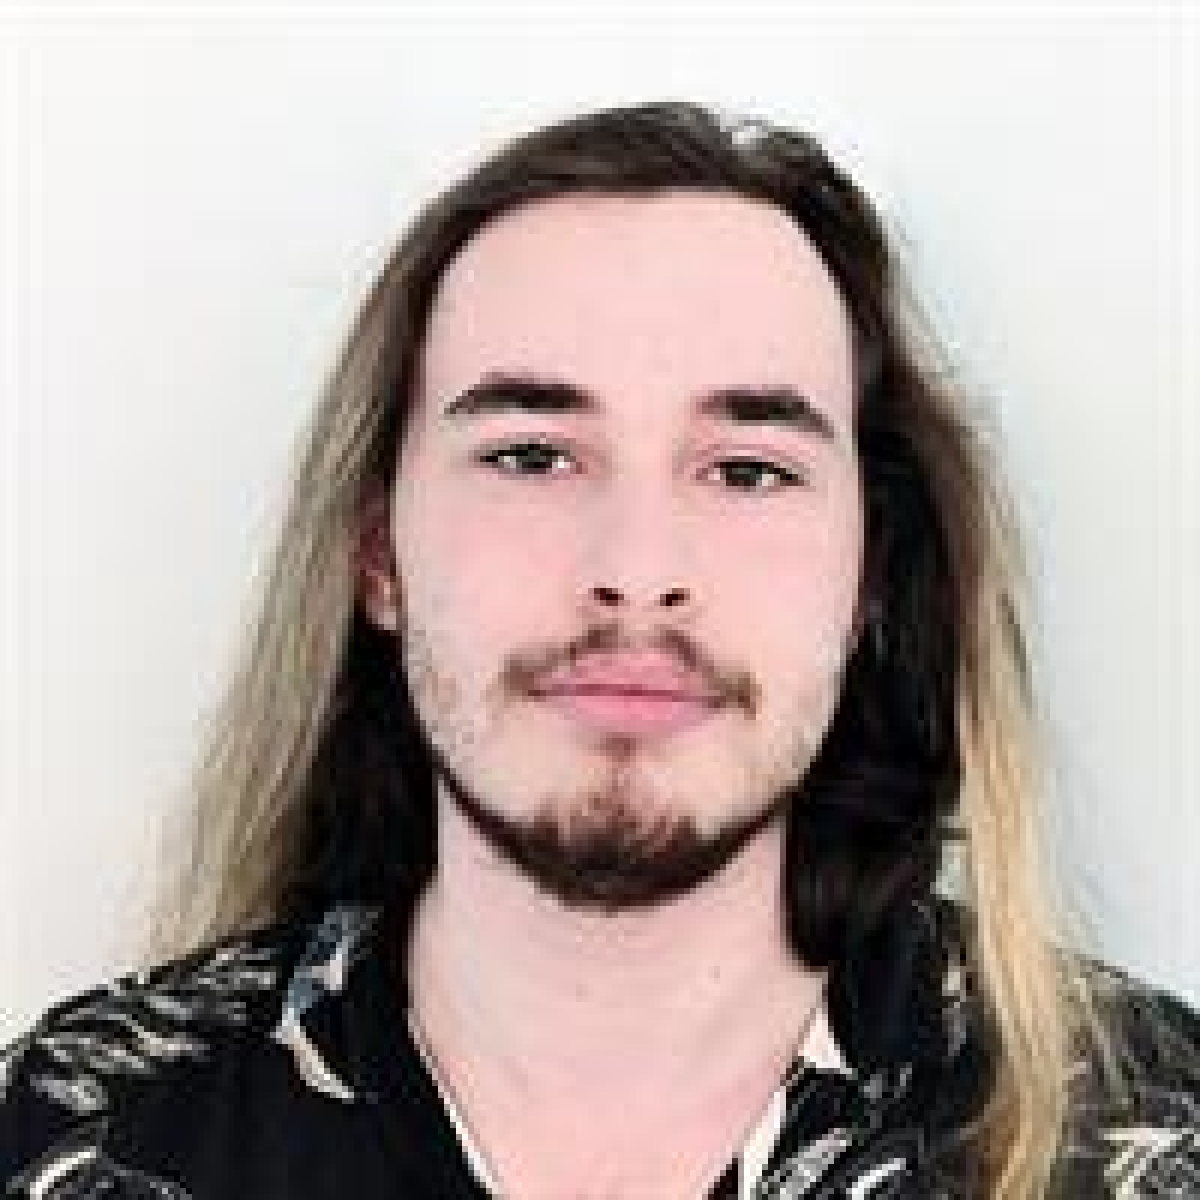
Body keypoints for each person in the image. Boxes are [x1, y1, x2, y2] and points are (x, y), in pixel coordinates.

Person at [2, 100, 1197, 1199]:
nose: (636, 566)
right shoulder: (71, 1139)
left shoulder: (1154, 1138)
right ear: (378, 556)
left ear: (869, 575)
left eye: (748, 470)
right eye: (531, 455)